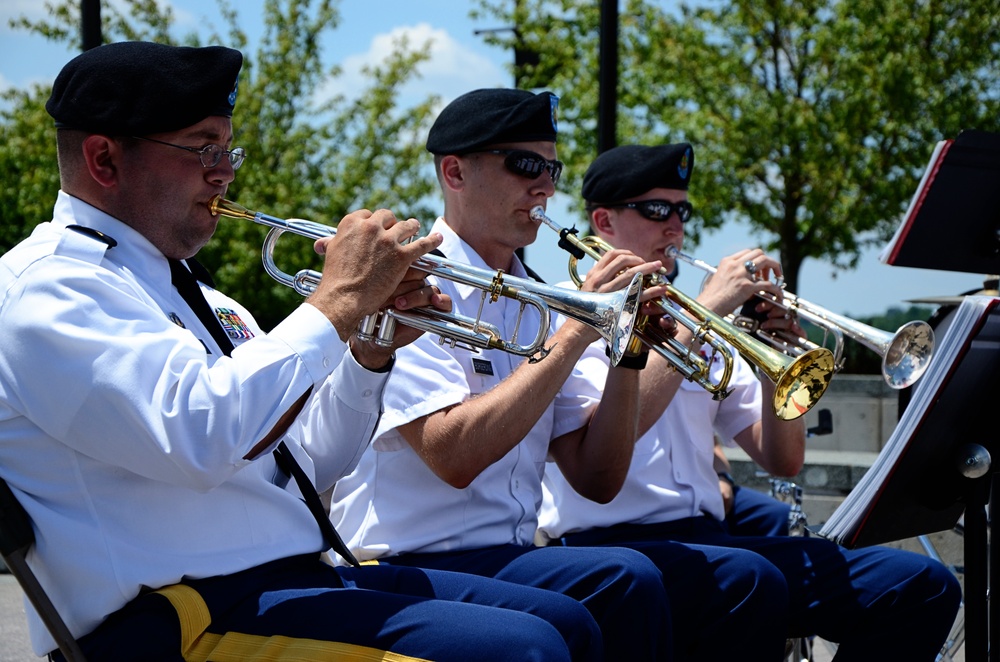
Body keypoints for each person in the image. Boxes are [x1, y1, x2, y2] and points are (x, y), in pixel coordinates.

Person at [0, 42, 606, 661]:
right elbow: (204, 436)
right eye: (202, 148)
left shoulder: (201, 295)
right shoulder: (50, 289)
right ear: (104, 159)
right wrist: (337, 302)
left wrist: (370, 351)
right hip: (175, 618)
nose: (224, 171)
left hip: (286, 580)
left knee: (570, 622)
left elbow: (310, 464)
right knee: (520, 650)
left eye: (227, 150)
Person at [329, 88, 791, 662]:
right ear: (454, 172)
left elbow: (597, 478)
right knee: (626, 581)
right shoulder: (416, 283)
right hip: (408, 560)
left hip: (507, 555)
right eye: (525, 165)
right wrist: (578, 329)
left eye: (552, 168)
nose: (544, 184)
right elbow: (454, 457)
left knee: (725, 580)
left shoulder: (541, 301)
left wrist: (629, 346)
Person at [538, 142, 963, 661]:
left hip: (707, 539)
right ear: (603, 221)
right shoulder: (571, 315)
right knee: (751, 580)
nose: (676, 226)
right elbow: (614, 443)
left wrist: (774, 359)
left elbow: (782, 460)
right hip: (610, 546)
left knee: (921, 583)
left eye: (682, 211)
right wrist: (712, 307)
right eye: (656, 210)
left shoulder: (700, 320)